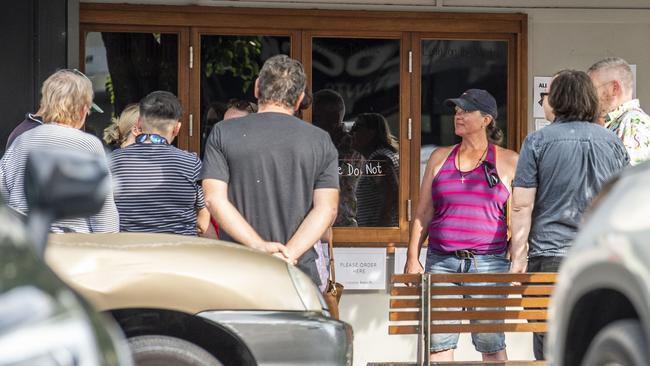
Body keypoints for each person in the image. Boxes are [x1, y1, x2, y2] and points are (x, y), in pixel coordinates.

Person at [509, 70, 629, 360]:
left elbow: (522, 205)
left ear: (558, 99)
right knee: (591, 335)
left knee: (548, 337)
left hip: (548, 255)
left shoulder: (537, 142)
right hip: (599, 254)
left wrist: (518, 258)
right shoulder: (612, 142)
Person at [201, 55, 339, 287]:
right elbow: (327, 208)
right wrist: (289, 255)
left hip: (238, 272)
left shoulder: (223, 133)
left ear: (257, 88)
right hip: (299, 273)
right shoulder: (320, 140)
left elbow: (214, 199)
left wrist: (259, 247)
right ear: (300, 99)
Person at [404, 89, 518, 362]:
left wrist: (518, 251)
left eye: (466, 110)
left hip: (489, 262)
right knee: (439, 343)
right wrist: (412, 256)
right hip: (442, 261)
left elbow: (524, 214)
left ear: (486, 119)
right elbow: (423, 212)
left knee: (491, 342)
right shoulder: (439, 157)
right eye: (456, 110)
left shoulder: (509, 160)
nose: (458, 115)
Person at [0, 69, 119, 233]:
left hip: (28, 239)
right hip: (72, 245)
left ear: (45, 105)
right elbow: (104, 211)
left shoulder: (22, 140)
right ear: (83, 111)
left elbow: (3, 192)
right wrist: (108, 245)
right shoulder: (90, 145)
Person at [110, 91, 209, 236]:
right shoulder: (191, 163)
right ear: (177, 128)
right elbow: (203, 219)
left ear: (138, 123)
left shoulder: (114, 161)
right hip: (178, 252)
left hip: (130, 252)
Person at [313, 89, 364, 227]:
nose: (313, 121)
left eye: (317, 116)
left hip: (341, 227)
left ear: (335, 117)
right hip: (316, 225)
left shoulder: (350, 148)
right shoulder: (320, 142)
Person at [587, 57, 650, 165]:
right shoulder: (621, 122)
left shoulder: (632, 123)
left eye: (592, 89)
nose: (588, 95)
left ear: (614, 88)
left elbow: (633, 177)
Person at [352, 113, 399, 227]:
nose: (351, 132)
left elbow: (391, 194)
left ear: (371, 133)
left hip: (380, 236)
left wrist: (379, 229)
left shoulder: (378, 160)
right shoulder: (380, 157)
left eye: (357, 128)